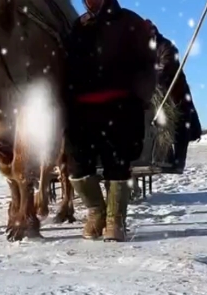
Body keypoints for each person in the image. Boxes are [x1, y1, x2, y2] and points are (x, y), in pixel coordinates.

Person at [63, 0, 157, 242]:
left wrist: (139, 99)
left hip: (120, 106)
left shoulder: (130, 21)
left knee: (117, 164)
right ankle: (97, 213)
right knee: (77, 166)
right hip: (81, 108)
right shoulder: (79, 25)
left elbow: (148, 63)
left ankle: (116, 220)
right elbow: (68, 64)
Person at [147, 20, 202, 173]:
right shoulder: (144, 49)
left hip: (174, 95)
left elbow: (167, 66)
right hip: (157, 97)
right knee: (158, 128)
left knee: (179, 126)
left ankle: (177, 163)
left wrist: (151, 77)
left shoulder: (166, 46)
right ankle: (165, 159)